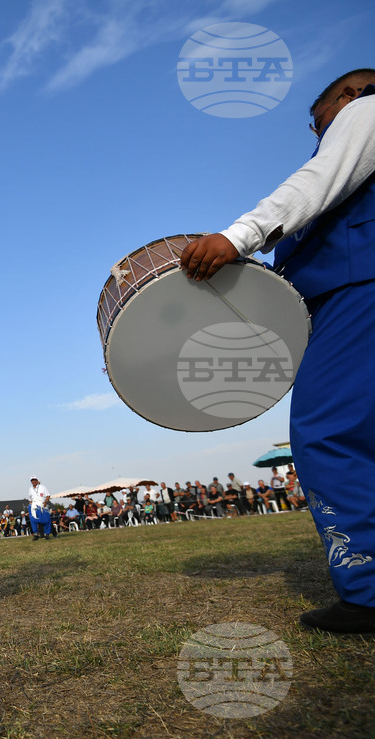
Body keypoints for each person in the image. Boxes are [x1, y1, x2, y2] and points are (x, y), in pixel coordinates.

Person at [180, 69, 375, 633]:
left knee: (329, 431)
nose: (321, 137)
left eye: (319, 124)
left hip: (360, 289)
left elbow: (318, 179)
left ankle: (368, 589)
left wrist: (238, 236)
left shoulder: (365, 108)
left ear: (345, 97)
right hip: (349, 290)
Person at [28, 475, 51, 540]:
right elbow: (30, 499)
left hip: (42, 505)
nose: (34, 481)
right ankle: (35, 534)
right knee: (33, 520)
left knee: (46, 519)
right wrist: (31, 505)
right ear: (31, 482)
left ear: (37, 480)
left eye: (35, 480)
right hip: (34, 506)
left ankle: (47, 534)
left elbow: (48, 495)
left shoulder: (42, 487)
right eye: (32, 480)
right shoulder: (30, 489)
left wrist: (45, 502)